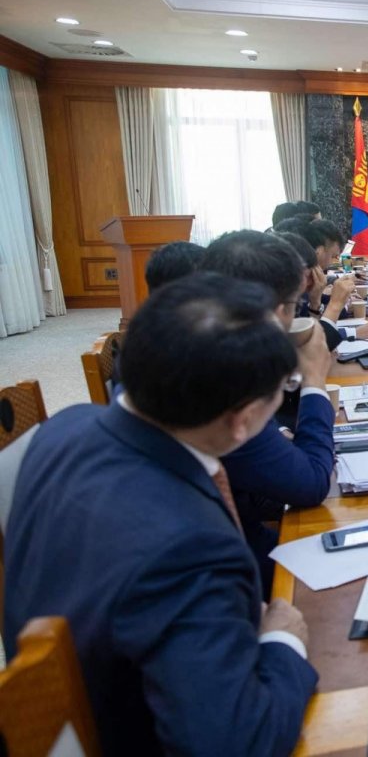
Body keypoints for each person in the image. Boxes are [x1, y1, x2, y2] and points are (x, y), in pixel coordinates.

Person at [3, 273, 318, 755]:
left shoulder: (68, 425)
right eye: (283, 388)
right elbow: (239, 744)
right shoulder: (189, 549)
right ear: (242, 420)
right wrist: (283, 642)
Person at [199, 232, 336, 591]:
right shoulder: (227, 388)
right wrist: (314, 380)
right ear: (279, 312)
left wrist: (275, 433)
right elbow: (311, 485)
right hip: (236, 572)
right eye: (295, 303)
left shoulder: (195, 343)